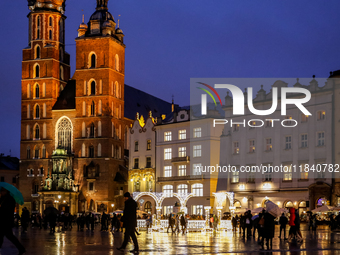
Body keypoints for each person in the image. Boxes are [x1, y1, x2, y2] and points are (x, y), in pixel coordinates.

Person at [0, 187, 26, 254]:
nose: (1, 192)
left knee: (9, 236)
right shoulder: (3, 199)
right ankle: (21, 248)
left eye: (2, 191)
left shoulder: (9, 199)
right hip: (4, 220)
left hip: (6, 220)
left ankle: (21, 248)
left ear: (6, 192)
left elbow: (6, 210)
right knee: (6, 236)